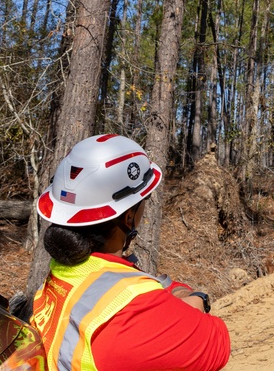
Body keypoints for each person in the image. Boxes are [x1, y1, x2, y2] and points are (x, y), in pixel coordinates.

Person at [30, 134, 230, 371]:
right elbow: (218, 343)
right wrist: (197, 298)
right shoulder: (131, 313)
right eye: (143, 200)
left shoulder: (61, 273)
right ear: (128, 217)